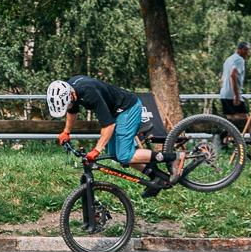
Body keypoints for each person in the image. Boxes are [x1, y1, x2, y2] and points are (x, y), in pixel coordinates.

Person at [48, 77, 181, 197]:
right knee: (115, 154)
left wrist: (96, 150)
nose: (69, 107)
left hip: (128, 108)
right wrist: (66, 131)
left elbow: (108, 126)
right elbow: (73, 111)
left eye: (68, 104)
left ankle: (174, 158)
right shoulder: (70, 89)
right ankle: (155, 178)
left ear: (71, 95)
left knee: (124, 155)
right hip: (116, 112)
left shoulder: (89, 94)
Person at [220, 41, 250, 119]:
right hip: (232, 95)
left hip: (224, 94)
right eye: (246, 50)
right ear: (239, 49)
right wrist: (236, 95)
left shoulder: (228, 59)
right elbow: (233, 75)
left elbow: (222, 79)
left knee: (230, 120)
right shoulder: (239, 60)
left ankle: (231, 132)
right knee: (245, 118)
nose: (248, 53)